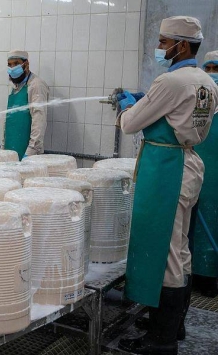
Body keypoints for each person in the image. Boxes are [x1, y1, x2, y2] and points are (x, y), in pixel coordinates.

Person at [116, 16, 218, 354]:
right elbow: (179, 114)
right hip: (188, 163)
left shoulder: (171, 81)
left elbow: (130, 124)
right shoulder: (206, 80)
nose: (159, 48)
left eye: (163, 42)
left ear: (182, 45)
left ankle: (161, 341)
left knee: (169, 253)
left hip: (167, 171)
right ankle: (174, 326)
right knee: (180, 249)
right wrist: (149, 99)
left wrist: (129, 105)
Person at [190, 50, 218, 297]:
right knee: (196, 225)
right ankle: (197, 274)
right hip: (199, 171)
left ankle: (212, 277)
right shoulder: (200, 101)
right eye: (207, 69)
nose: (211, 75)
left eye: (216, 70)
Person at [4, 50, 49, 160]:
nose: (12, 68)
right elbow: (9, 121)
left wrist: (30, 152)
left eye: (16, 63)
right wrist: (3, 147)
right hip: (10, 148)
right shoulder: (15, 87)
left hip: (27, 152)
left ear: (26, 64)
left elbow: (39, 121)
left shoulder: (36, 85)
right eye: (10, 65)